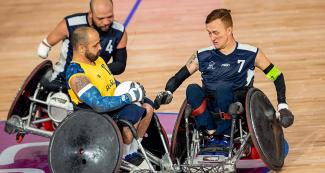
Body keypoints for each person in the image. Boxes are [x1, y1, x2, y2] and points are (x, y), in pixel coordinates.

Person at [154, 9, 294, 136]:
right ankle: (210, 130)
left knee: (223, 88)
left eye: (216, 32)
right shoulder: (202, 55)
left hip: (236, 103)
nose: (212, 38)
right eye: (209, 33)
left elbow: (277, 75)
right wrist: (168, 91)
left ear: (229, 30)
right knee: (192, 89)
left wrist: (282, 105)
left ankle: (226, 130)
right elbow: (179, 77)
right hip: (210, 105)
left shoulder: (251, 53)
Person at [66, 26, 151, 168]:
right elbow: (98, 104)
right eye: (95, 45)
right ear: (81, 48)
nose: (100, 47)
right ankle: (122, 158)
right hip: (95, 115)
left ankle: (133, 151)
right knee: (134, 112)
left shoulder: (97, 60)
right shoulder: (77, 73)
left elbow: (110, 82)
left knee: (148, 107)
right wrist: (128, 97)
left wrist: (131, 88)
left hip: (111, 104)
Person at [38, 0, 127, 85]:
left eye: (110, 16)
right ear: (91, 14)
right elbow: (45, 45)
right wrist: (44, 47)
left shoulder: (119, 31)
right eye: (100, 18)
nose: (106, 22)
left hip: (97, 79)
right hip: (64, 79)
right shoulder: (70, 24)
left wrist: (95, 71)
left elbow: (120, 64)